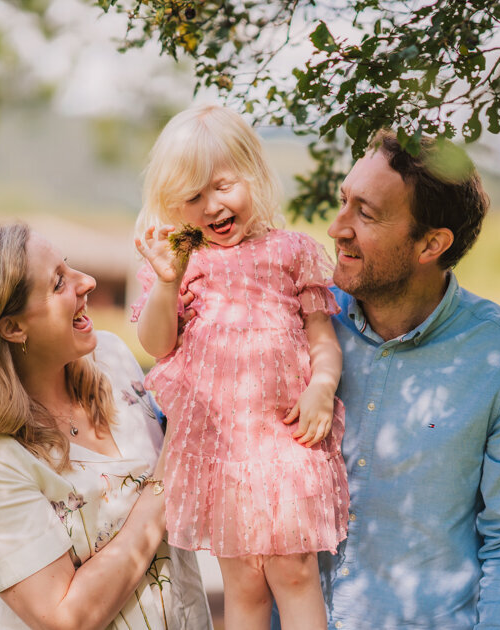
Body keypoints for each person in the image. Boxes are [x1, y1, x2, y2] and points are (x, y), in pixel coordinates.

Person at [0, 223, 212, 630]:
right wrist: (169, 476)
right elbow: (65, 617)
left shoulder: (111, 358)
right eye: (59, 283)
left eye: (70, 267)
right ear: (12, 327)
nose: (88, 282)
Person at [316, 131, 500, 628]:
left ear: (431, 243)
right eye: (344, 202)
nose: (337, 228)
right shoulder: (300, 321)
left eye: (365, 213)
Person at [132, 103, 349, 630]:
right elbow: (158, 345)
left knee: (295, 572)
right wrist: (166, 282)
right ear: (174, 206)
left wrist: (322, 386)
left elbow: (323, 337)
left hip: (283, 439)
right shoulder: (183, 265)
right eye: (193, 197)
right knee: (245, 584)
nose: (212, 206)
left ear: (252, 174)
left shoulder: (292, 252)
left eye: (223, 186)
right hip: (221, 451)